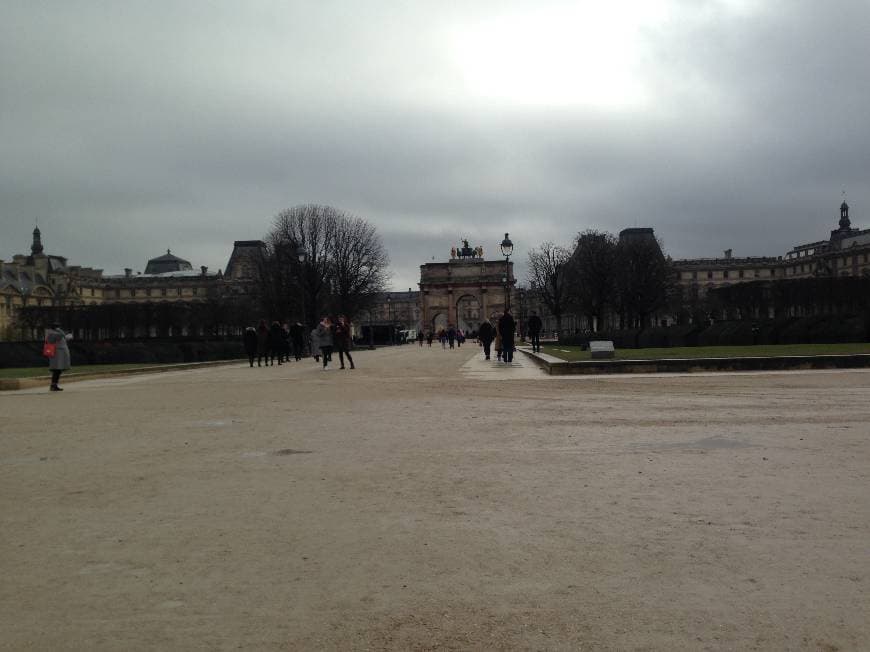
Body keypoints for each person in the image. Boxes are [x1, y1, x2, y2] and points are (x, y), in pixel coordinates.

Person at [44, 321, 72, 391]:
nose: (59, 328)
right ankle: (53, 385)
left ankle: (54, 385)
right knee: (56, 370)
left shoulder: (56, 333)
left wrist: (66, 336)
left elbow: (62, 338)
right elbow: (60, 336)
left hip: (59, 354)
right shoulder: (52, 333)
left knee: (58, 370)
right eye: (57, 327)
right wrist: (61, 332)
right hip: (56, 354)